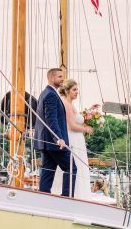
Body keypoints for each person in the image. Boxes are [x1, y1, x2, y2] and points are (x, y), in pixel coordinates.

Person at [34, 68, 76, 196]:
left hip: (46, 142)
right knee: (71, 168)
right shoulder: (51, 94)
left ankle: (44, 196)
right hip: (54, 142)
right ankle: (66, 198)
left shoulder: (44, 93)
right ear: (51, 78)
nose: (62, 79)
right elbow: (51, 119)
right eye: (59, 77)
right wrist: (58, 138)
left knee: (48, 170)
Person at [52, 79, 93, 199]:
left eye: (77, 90)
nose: (77, 92)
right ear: (67, 90)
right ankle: (73, 193)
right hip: (72, 138)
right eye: (74, 90)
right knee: (74, 164)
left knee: (79, 166)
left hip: (77, 139)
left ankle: (80, 193)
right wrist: (87, 129)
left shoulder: (71, 104)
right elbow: (72, 126)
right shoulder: (65, 103)